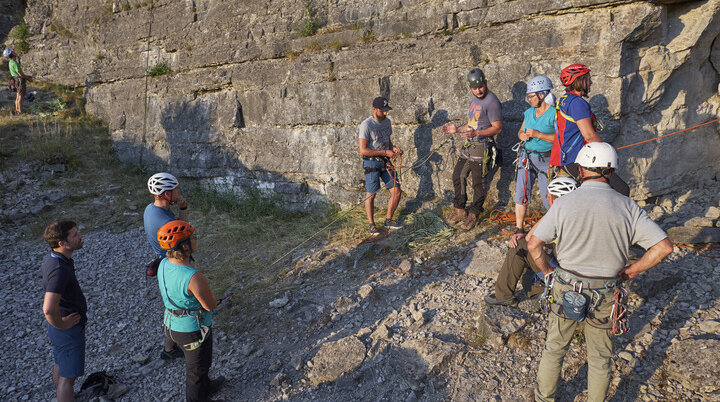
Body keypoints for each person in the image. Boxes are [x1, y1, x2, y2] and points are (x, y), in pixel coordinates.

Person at [528, 142, 673, 402]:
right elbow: (663, 247)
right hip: (605, 291)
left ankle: (544, 398)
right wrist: (632, 271)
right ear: (611, 172)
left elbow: (534, 244)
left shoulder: (564, 203)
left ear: (582, 171)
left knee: (555, 349)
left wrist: (548, 271)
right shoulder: (628, 207)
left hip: (566, 285)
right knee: (600, 357)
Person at [157, 220, 224, 401]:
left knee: (200, 367)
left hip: (171, 324)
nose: (196, 239)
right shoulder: (193, 277)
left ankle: (206, 386)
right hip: (192, 330)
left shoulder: (163, 264)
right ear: (184, 245)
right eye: (192, 237)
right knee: (196, 371)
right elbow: (210, 305)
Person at [484, 177, 577, 307]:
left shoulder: (556, 217)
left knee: (520, 247)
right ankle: (539, 292)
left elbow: (529, 241)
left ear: (553, 199)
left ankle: (503, 295)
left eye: (547, 196)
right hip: (579, 275)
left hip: (561, 273)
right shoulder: (579, 215)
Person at [550, 63, 629, 196]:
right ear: (579, 81)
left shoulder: (564, 100)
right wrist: (608, 151)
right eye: (588, 78)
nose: (591, 82)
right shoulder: (577, 103)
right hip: (581, 160)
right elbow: (589, 135)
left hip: (569, 159)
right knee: (621, 190)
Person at [442, 68, 503, 231]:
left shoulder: (492, 102)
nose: (478, 90)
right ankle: (460, 210)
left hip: (482, 147)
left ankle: (473, 214)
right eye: (475, 88)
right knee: (458, 175)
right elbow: (472, 124)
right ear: (470, 88)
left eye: (481, 86)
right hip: (469, 145)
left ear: (486, 83)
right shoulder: (474, 100)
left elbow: (497, 128)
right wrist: (457, 130)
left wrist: (476, 133)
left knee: (478, 183)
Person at [143, 172, 189, 360]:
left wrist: (181, 206)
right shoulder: (166, 222)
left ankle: (169, 347)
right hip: (171, 264)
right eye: (175, 190)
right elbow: (185, 233)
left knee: (171, 306)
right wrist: (184, 208)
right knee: (178, 306)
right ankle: (172, 348)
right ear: (164, 194)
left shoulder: (150, 209)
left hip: (161, 261)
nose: (178, 192)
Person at [41, 221, 86, 402]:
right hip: (67, 329)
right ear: (63, 243)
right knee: (68, 378)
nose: (80, 236)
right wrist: (63, 324)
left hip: (60, 330)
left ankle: (67, 396)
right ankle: (65, 395)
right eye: (74, 235)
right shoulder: (59, 270)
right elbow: (48, 308)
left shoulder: (54, 258)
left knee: (61, 362)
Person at [513, 75, 556, 233]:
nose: (529, 99)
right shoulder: (529, 113)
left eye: (531, 96)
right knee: (521, 192)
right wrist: (521, 135)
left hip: (546, 159)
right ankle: (519, 229)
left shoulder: (554, 114)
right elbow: (520, 131)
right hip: (527, 156)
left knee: (548, 197)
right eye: (529, 96)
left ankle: (556, 227)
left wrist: (538, 134)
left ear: (542, 94)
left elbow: (559, 139)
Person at [358, 96, 403, 236]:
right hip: (371, 162)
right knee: (371, 195)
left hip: (385, 161)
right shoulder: (366, 125)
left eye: (386, 110)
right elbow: (363, 150)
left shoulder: (387, 122)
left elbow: (387, 140)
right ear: (374, 109)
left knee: (396, 190)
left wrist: (393, 149)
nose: (385, 113)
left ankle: (388, 220)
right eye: (382, 111)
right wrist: (385, 152)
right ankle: (371, 225)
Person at [4, 48, 33, 115]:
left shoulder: (10, 62)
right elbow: (20, 74)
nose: (14, 51)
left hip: (15, 80)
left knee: (18, 96)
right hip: (19, 80)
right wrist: (28, 78)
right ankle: (20, 112)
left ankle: (17, 111)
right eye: (13, 51)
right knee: (20, 96)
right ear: (12, 54)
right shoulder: (14, 63)